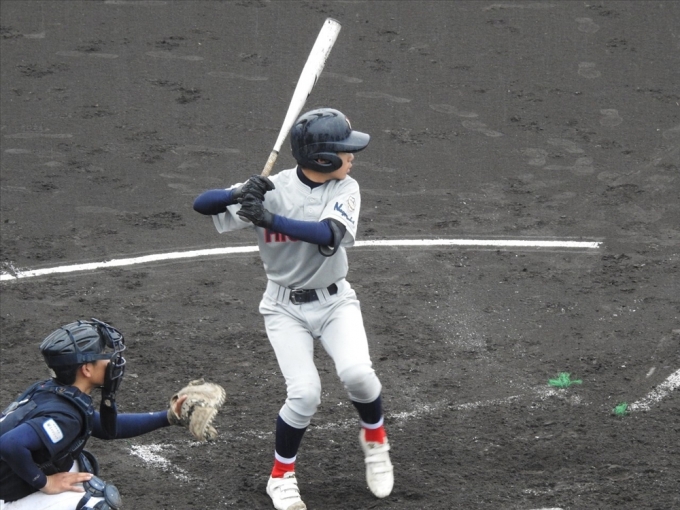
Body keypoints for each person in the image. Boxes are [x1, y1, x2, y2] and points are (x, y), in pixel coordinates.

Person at [193, 107, 394, 510]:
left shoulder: (346, 188)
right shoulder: (274, 187)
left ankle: (375, 440)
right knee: (304, 394)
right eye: (345, 150)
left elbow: (328, 234)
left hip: (335, 302)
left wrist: (268, 218)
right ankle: (281, 477)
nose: (352, 156)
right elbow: (201, 204)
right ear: (323, 158)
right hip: (283, 308)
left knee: (358, 374)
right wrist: (237, 194)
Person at [0, 319, 190, 509]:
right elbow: (11, 443)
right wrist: (44, 482)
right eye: (105, 355)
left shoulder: (52, 390)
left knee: (79, 464)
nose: (112, 361)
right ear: (86, 369)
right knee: (97, 504)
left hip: (7, 477)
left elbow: (107, 428)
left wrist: (168, 416)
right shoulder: (65, 416)